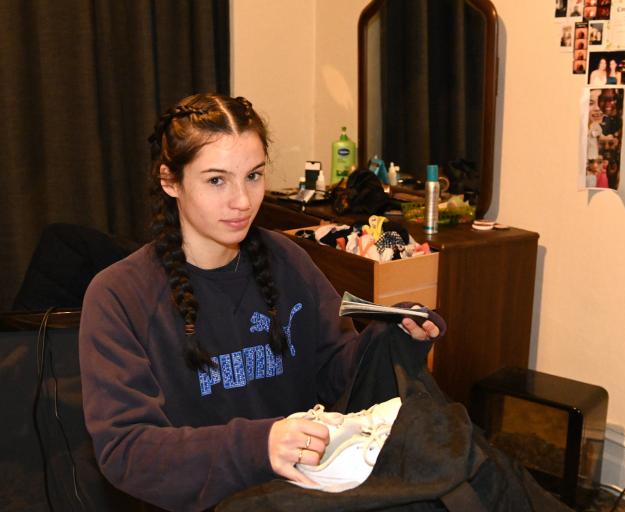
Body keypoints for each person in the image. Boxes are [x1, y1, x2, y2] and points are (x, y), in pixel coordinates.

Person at [78, 92, 444, 512]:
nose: (242, 201)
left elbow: (336, 373)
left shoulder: (287, 260)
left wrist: (393, 339)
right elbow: (127, 451)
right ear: (170, 180)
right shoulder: (118, 296)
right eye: (216, 180)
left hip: (304, 490)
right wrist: (258, 446)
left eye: (253, 176)